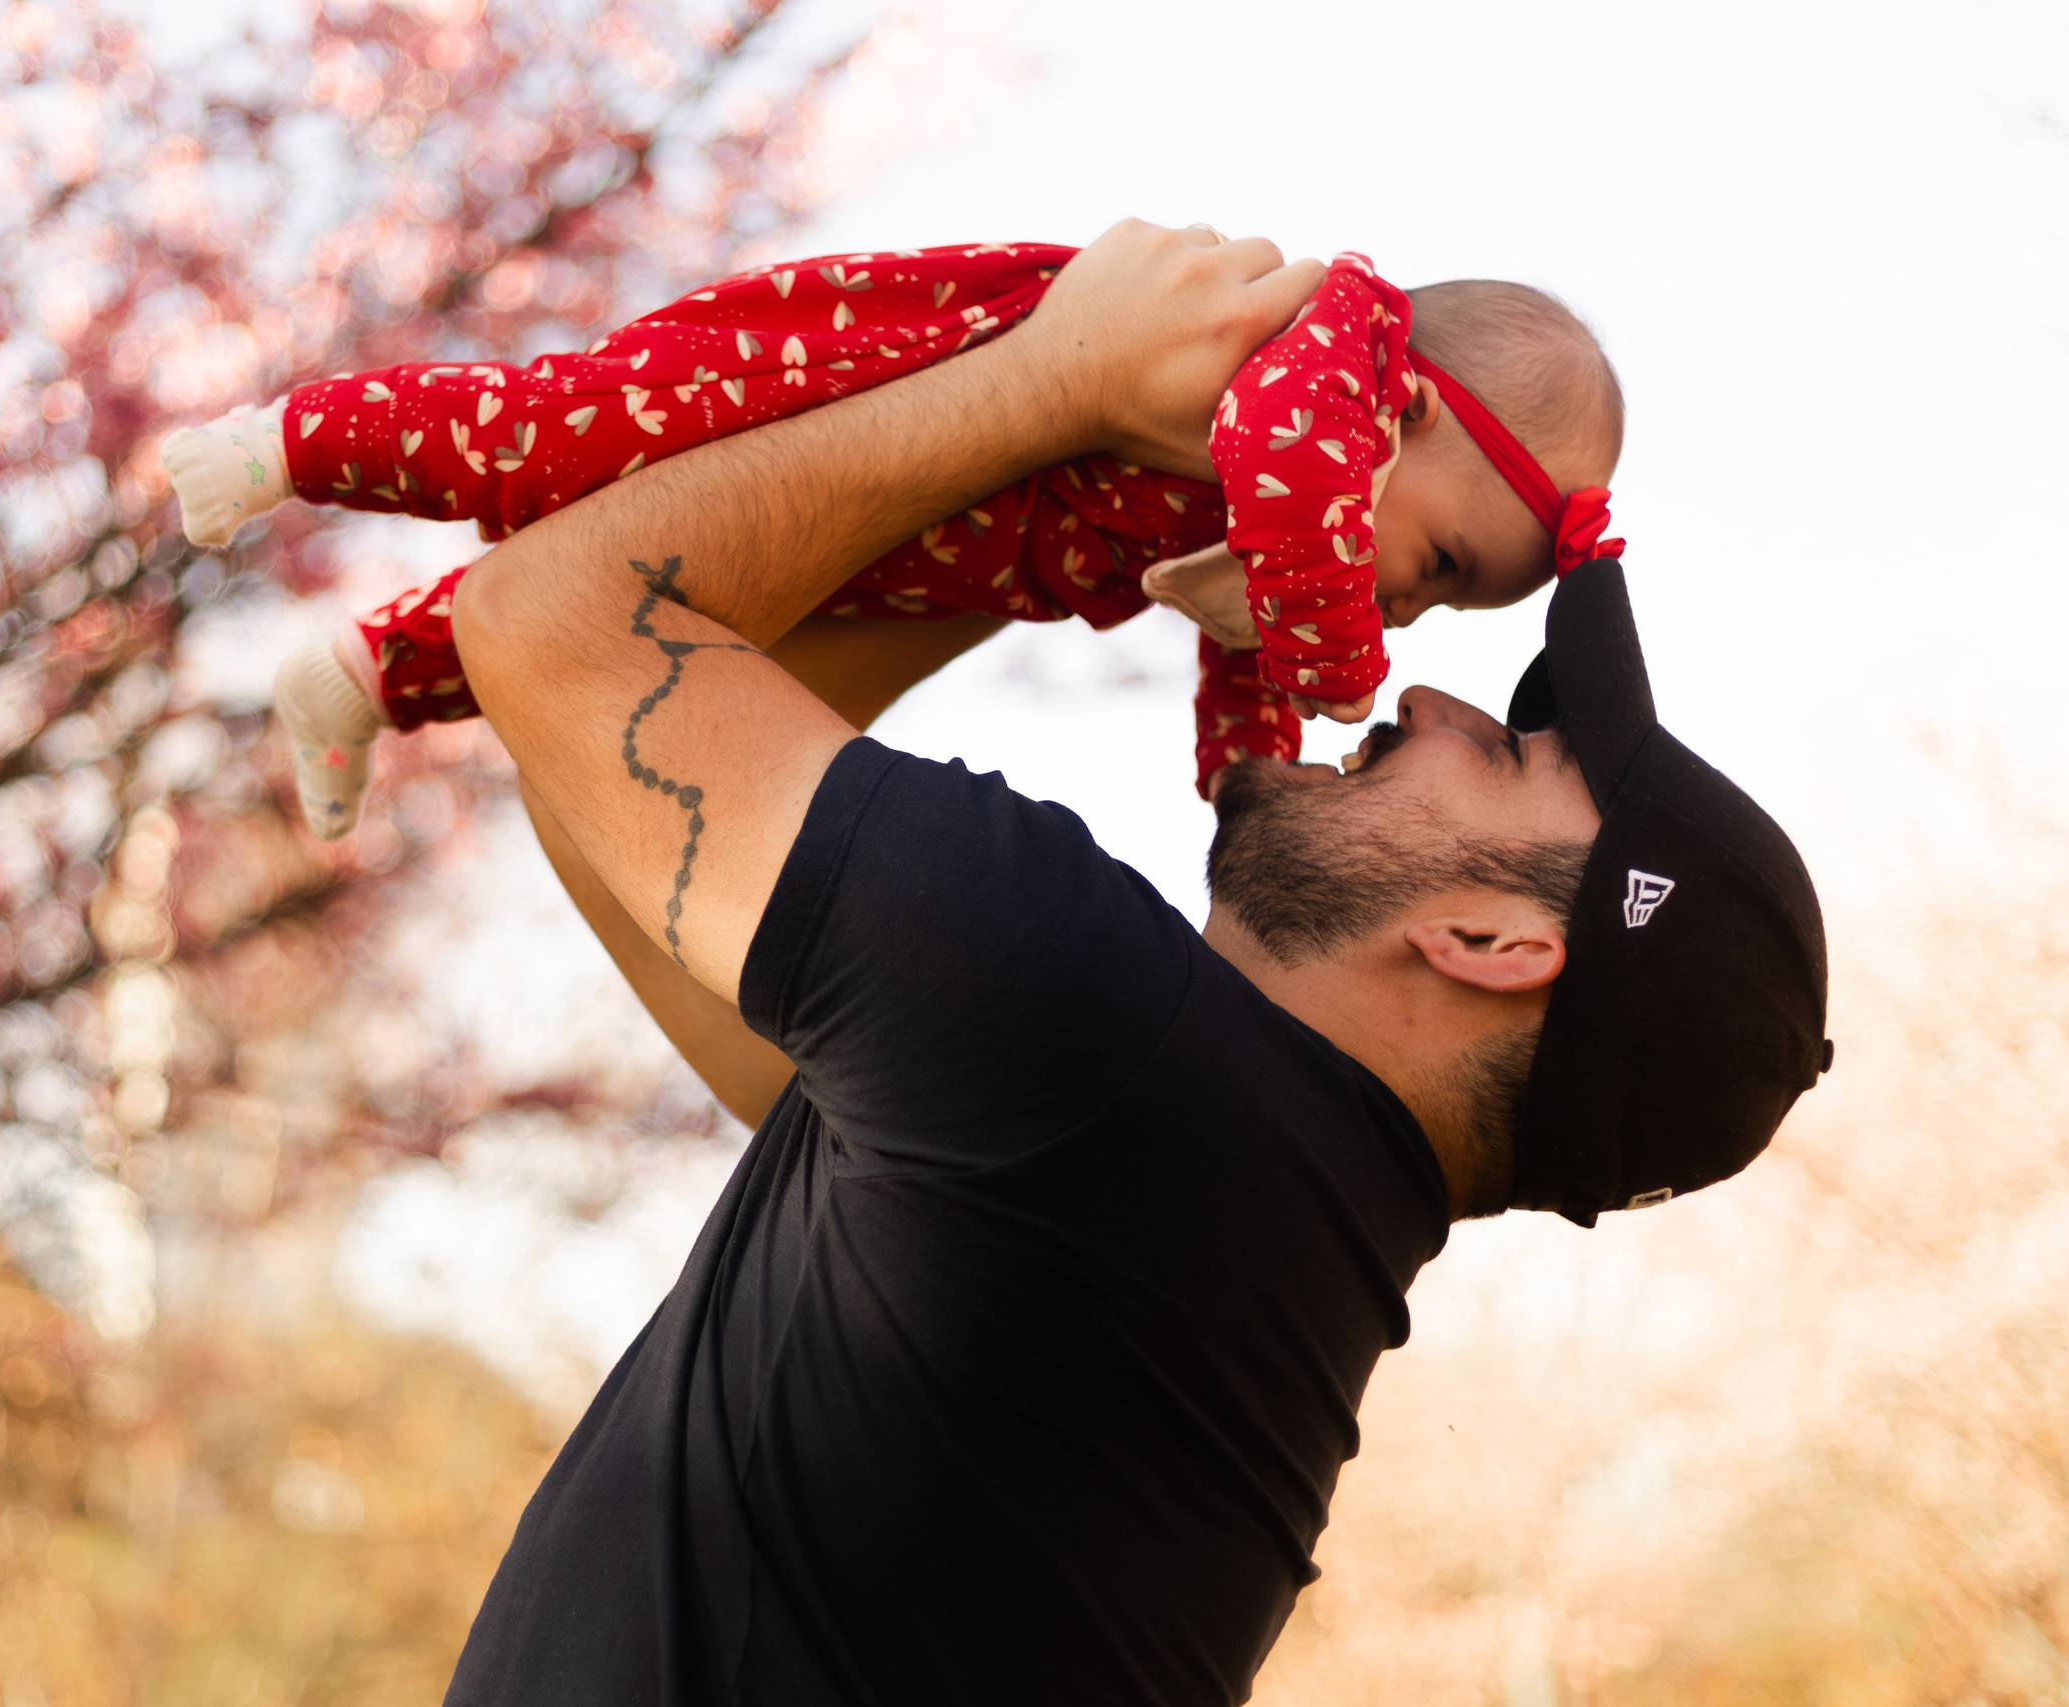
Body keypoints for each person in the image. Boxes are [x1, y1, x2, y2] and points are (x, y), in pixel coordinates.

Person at [336, 221, 1831, 1706]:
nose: (1424, 693)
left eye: (1502, 750)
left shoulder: (1082, 1038)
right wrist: (1063, 518)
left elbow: (540, 628)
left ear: (1500, 943)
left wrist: (1047, 388)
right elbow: (600, 770)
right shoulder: (1225, 1278)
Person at [159, 241, 1622, 820]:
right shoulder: (1316, 355)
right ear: (1412, 407)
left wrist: (1252, 793)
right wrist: (1340, 666)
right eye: (1435, 568)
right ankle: (296, 441)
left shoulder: (1307, 540)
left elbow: (1247, 657)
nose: (1401, 614)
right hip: (863, 377)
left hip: (928, 529)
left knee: (674, 621)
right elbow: (1298, 541)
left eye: (1438, 609)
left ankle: (367, 676)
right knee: (574, 442)